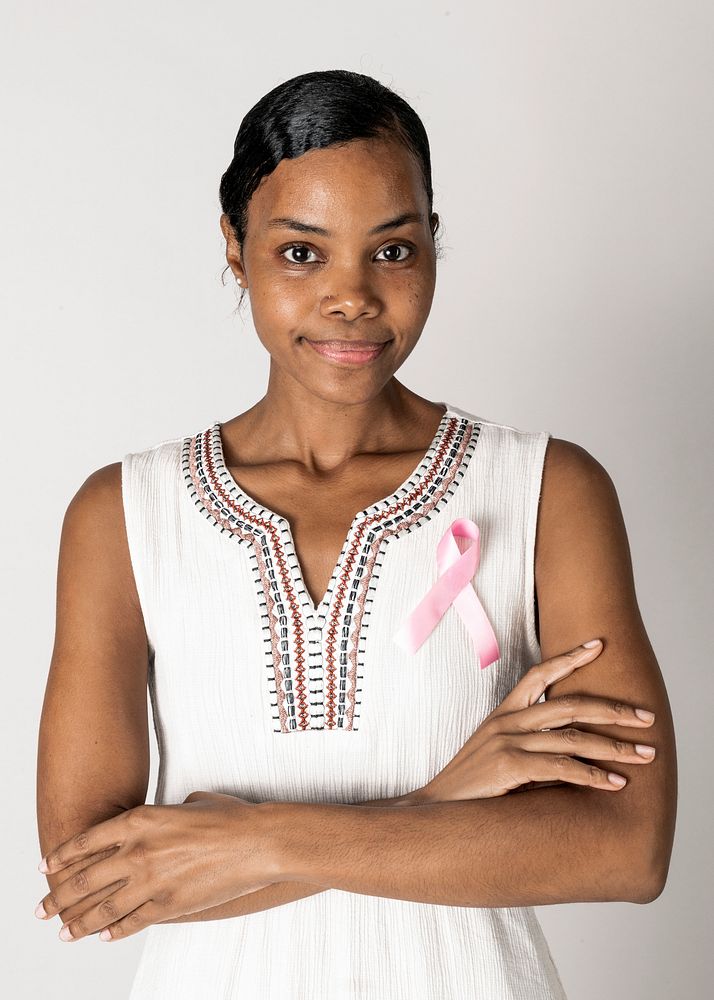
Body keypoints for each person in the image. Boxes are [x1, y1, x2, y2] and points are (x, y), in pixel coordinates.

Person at [35, 69, 676, 999]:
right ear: (235, 246)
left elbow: (626, 851)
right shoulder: (123, 514)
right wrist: (439, 801)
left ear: (431, 247)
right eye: (302, 253)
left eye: (393, 250)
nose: (351, 297)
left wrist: (252, 838)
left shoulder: (548, 489)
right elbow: (90, 884)